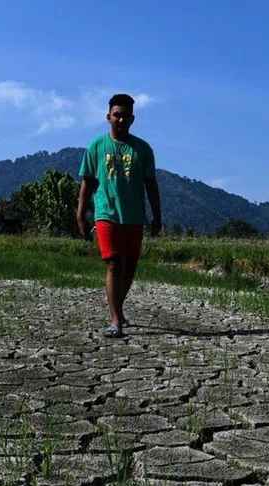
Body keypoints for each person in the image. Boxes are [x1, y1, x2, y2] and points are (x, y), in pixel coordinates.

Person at [77, 93, 162, 338]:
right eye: (117, 115)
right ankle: (115, 320)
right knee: (114, 264)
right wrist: (81, 214)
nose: (121, 119)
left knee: (129, 268)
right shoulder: (96, 146)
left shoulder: (143, 149)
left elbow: (151, 186)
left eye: (125, 115)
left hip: (134, 216)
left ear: (132, 119)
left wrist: (157, 217)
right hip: (106, 214)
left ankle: (118, 308)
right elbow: (87, 182)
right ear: (108, 117)